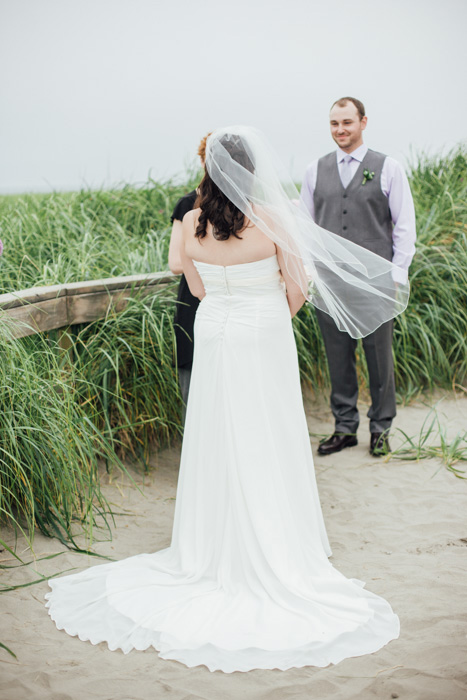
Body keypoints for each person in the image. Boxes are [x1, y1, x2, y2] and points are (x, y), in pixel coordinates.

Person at [46, 127, 404, 673]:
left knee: (216, 429)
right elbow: (299, 286)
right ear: (252, 167)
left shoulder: (192, 220)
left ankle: (207, 546)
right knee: (268, 430)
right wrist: (265, 318)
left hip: (214, 329)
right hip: (262, 329)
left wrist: (228, 309)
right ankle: (280, 539)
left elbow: (190, 281)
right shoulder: (272, 217)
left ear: (209, 167)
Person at [300, 97, 416, 457]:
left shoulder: (388, 168)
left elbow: (404, 227)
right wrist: (308, 274)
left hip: (376, 281)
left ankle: (381, 428)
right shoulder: (315, 171)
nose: (340, 130)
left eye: (347, 122)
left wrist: (397, 275)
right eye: (334, 123)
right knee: (337, 356)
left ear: (363, 122)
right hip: (330, 283)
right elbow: (304, 228)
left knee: (379, 357)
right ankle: (344, 427)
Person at [168, 134, 210, 418]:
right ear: (203, 159)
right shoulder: (187, 205)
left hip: (234, 300)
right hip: (194, 303)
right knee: (193, 380)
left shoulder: (247, 205)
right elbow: (174, 262)